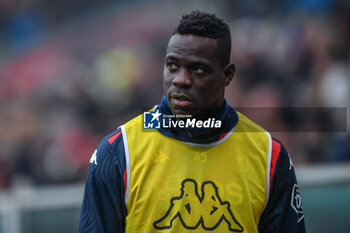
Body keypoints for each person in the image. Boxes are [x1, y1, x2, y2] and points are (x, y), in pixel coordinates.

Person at [79, 10, 306, 233]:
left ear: (227, 75)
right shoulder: (118, 152)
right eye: (172, 66)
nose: (181, 80)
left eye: (197, 69)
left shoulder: (269, 156)